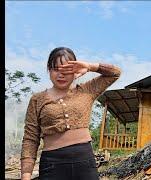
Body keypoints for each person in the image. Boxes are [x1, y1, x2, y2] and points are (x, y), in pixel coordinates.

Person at [20, 47, 121, 180]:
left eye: (67, 70)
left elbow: (115, 73)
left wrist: (90, 66)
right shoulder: (37, 100)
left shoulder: (87, 90)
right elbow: (30, 138)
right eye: (56, 69)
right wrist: (26, 174)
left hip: (85, 163)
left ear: (75, 70)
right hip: (52, 165)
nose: (61, 75)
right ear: (48, 70)